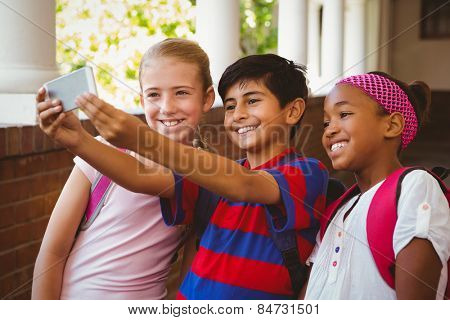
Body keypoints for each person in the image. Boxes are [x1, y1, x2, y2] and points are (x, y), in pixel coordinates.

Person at [69, 54, 329, 299]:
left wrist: (142, 139)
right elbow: (141, 177)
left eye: (252, 101)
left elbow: (245, 184)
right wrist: (77, 140)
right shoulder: (213, 176)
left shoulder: (307, 172)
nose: (238, 114)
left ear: (293, 111)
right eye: (230, 106)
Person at [32, 38, 215, 299]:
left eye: (181, 92)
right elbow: (53, 251)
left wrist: (80, 140)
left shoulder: (207, 172)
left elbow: (190, 274)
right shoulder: (102, 151)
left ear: (207, 98)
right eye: (154, 94)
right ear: (141, 100)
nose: (167, 107)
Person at [304, 72, 450, 299]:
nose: (329, 130)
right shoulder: (337, 211)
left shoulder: (415, 187)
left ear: (392, 125)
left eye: (344, 114)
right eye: (326, 122)